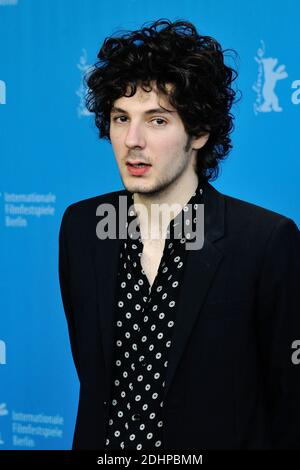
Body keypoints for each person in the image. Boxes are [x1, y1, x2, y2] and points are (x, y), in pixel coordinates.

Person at [58, 19, 300, 450]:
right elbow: (92, 373)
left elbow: (288, 403)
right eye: (120, 118)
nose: (132, 140)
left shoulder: (264, 241)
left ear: (200, 132)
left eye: (156, 120)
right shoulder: (83, 227)